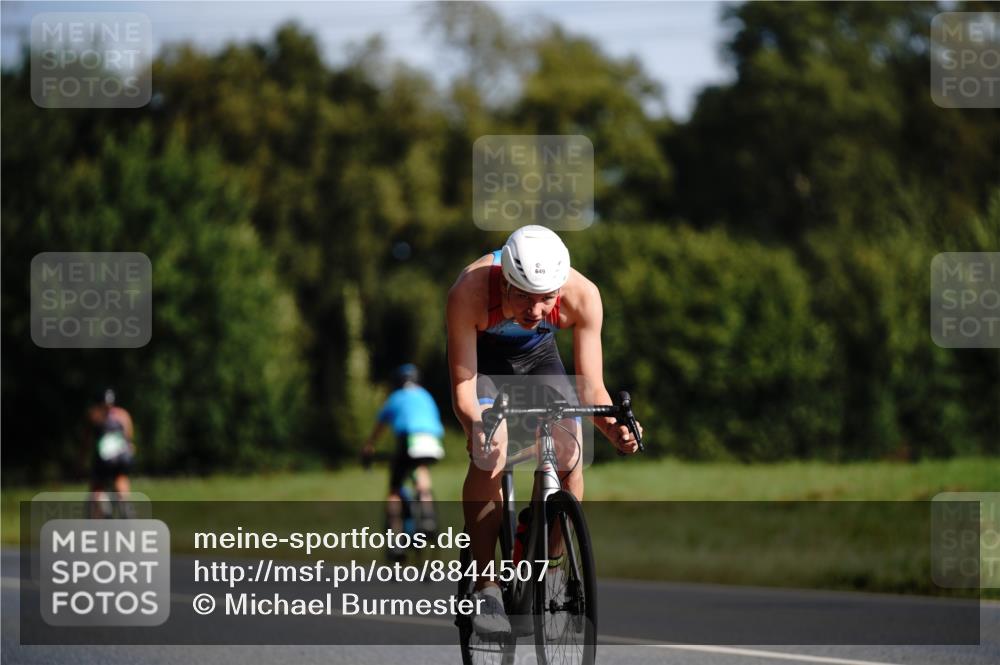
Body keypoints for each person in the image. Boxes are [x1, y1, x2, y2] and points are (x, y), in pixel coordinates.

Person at [446, 225, 642, 636]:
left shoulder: (582, 294)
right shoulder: (470, 290)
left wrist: (615, 430)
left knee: (569, 452)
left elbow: (591, 388)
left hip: (537, 358)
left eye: (546, 299)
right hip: (484, 364)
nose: (536, 311)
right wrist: (476, 427)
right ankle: (485, 584)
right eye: (523, 296)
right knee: (492, 449)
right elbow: (463, 390)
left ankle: (549, 566)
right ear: (505, 282)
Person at [362, 364, 445, 559]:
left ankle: (396, 539)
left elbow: (380, 426)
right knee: (421, 469)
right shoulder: (425, 395)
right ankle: (427, 517)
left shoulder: (397, 397)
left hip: (409, 439)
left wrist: (369, 446)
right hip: (432, 442)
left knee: (394, 488)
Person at [85, 388, 135, 518]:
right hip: (123, 457)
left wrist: (81, 461)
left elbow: (88, 442)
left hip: (104, 460)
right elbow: (129, 440)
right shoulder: (123, 414)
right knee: (121, 480)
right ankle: (125, 509)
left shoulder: (94, 415)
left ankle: (103, 513)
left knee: (97, 487)